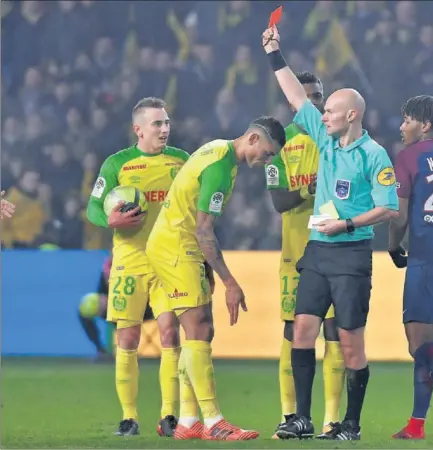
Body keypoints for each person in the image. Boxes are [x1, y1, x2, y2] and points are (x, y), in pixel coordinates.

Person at [262, 26, 399, 441]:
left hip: (352, 254)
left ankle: (350, 425)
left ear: (351, 115)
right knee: (302, 330)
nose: (322, 117)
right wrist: (274, 53)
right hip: (318, 251)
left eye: (330, 112)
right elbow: (294, 96)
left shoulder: (374, 155)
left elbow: (389, 207)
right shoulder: (324, 137)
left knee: (350, 343)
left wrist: (348, 223)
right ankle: (301, 419)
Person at [146, 117, 286, 440]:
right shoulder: (222, 168)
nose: (267, 161)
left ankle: (187, 420)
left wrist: (206, 268)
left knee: (197, 328)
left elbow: (192, 210)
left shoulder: (218, 150)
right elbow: (203, 228)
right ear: (253, 138)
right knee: (199, 328)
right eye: (267, 153)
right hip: (177, 246)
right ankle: (214, 421)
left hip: (175, 243)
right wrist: (230, 282)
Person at [87, 97, 190, 437]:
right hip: (130, 261)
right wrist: (110, 218)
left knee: (169, 333)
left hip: (168, 261)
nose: (164, 129)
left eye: (166, 123)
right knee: (127, 337)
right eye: (157, 124)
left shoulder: (182, 161)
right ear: (138, 129)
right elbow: (93, 209)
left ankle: (169, 416)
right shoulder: (117, 164)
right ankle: (129, 417)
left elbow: (194, 207)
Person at [265, 71, 345, 439]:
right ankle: (290, 414)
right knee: (292, 332)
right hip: (295, 254)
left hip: (333, 252)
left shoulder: (337, 139)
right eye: (308, 96)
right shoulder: (279, 146)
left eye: (319, 97)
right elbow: (279, 201)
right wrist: (306, 190)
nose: (314, 102)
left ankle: (331, 419)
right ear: (293, 99)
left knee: (334, 333)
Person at [389, 95, 433, 440]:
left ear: (425, 125)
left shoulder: (410, 156)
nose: (401, 126)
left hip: (427, 259)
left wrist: (394, 246)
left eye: (407, 119)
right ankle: (415, 424)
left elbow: (399, 215)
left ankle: (415, 425)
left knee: (418, 346)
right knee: (429, 347)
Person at [78, 256, 155, 362]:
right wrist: (100, 302)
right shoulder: (106, 276)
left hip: (144, 306)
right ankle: (101, 351)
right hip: (118, 309)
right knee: (83, 312)